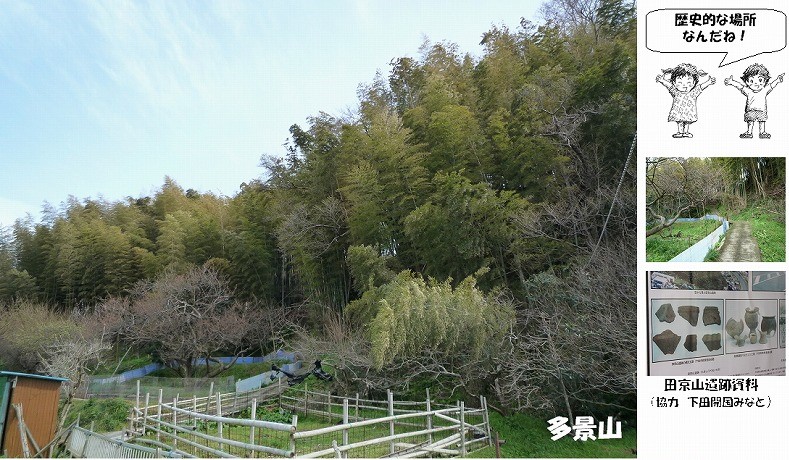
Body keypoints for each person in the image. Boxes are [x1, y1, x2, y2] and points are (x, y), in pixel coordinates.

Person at [724, 63, 784, 139]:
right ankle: (749, 132)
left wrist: (778, 80)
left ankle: (762, 132)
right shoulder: (748, 91)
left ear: (765, 81)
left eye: (760, 80)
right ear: (747, 82)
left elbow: (772, 85)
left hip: (761, 110)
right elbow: (740, 86)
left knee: (762, 121)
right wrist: (731, 82)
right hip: (750, 110)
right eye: (752, 80)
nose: (756, 83)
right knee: (750, 121)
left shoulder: (764, 90)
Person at [656, 63, 716, 138]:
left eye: (689, 83)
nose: (684, 86)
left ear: (694, 83)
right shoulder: (675, 92)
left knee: (687, 121)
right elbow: (669, 86)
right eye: (680, 83)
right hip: (678, 111)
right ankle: (680, 132)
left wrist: (709, 82)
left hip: (689, 111)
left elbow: (701, 87)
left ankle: (686, 132)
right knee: (680, 121)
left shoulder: (693, 92)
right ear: (674, 83)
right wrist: (662, 80)